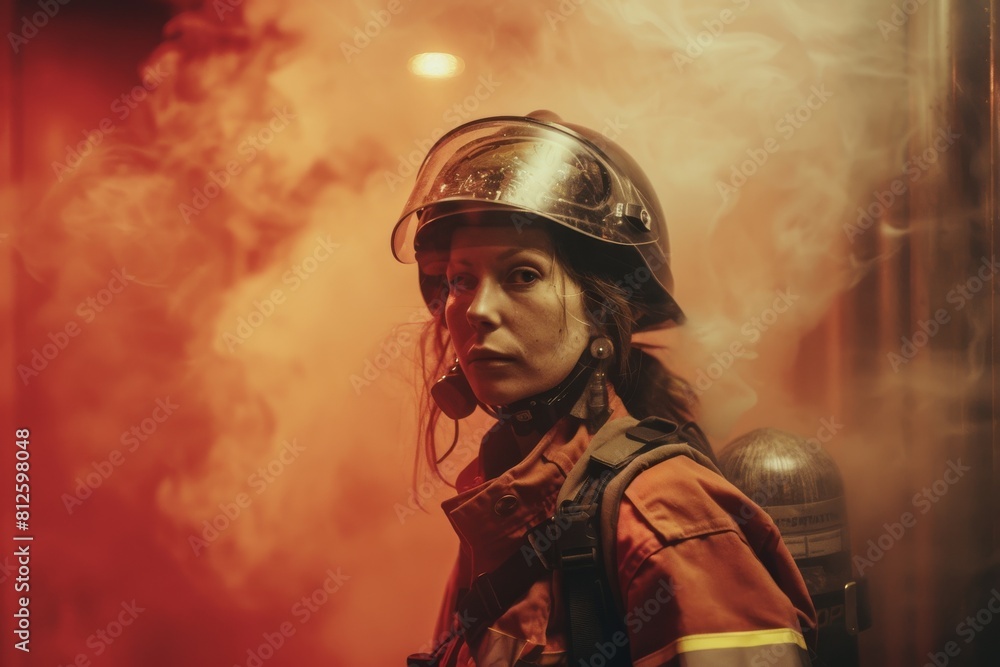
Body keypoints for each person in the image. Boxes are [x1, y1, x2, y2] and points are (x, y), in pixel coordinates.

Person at [390, 111, 817, 667]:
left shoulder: (668, 519)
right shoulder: (506, 498)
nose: (478, 310)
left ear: (600, 310)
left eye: (522, 275)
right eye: (460, 280)